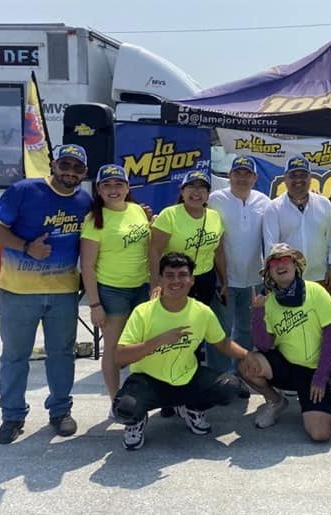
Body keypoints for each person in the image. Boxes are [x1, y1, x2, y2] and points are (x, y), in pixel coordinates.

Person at [0, 144, 92, 444]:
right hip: (19, 291)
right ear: (53, 165)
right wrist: (25, 247)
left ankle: (60, 411)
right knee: (15, 357)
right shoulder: (24, 190)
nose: (70, 172)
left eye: (77, 168)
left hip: (64, 293)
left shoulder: (84, 201)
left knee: (62, 354)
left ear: (84, 173)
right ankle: (12, 416)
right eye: (65, 165)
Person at [113, 252, 260, 450]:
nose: (176, 281)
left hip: (186, 377)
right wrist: (158, 341)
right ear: (160, 279)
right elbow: (120, 356)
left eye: (182, 275)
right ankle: (136, 422)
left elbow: (222, 343)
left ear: (191, 280)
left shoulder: (201, 311)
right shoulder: (143, 312)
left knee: (231, 388)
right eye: (170, 275)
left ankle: (192, 408)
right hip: (148, 381)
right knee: (124, 408)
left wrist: (247, 355)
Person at [239, 243, 331, 441]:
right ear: (269, 272)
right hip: (287, 366)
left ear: (295, 265)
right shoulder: (268, 300)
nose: (280, 265)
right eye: (274, 262)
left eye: (285, 259)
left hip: (316, 371)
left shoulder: (316, 291)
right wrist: (257, 313)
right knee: (246, 363)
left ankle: (314, 399)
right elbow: (265, 346)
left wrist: (320, 377)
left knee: (320, 434)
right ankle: (276, 401)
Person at [80, 164, 150, 404]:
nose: (113, 190)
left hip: (142, 286)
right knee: (112, 348)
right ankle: (115, 400)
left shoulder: (137, 210)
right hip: (112, 291)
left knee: (141, 345)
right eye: (107, 185)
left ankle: (144, 395)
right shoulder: (93, 220)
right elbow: (87, 266)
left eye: (118, 184)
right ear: (98, 189)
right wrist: (94, 304)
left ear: (127, 187)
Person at [207, 155, 271, 376]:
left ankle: (240, 374)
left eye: (247, 174)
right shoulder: (216, 199)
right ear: (229, 175)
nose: (242, 178)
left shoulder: (264, 201)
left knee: (246, 330)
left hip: (253, 278)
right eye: (238, 173)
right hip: (224, 279)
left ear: (255, 177)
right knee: (220, 330)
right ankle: (219, 376)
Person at [263, 155, 331, 294]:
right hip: (287, 280)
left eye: (303, 175)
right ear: (285, 179)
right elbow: (271, 248)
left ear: (310, 178)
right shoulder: (274, 208)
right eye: (293, 175)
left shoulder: (324, 204)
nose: (298, 179)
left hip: (321, 277)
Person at [149, 170, 226, 305]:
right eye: (191, 186)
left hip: (206, 279)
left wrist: (225, 281)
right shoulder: (168, 215)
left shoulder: (215, 216)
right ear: (182, 191)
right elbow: (154, 252)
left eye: (202, 187)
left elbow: (219, 253)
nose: (196, 192)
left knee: (199, 322)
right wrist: (156, 284)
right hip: (175, 278)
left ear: (208, 194)